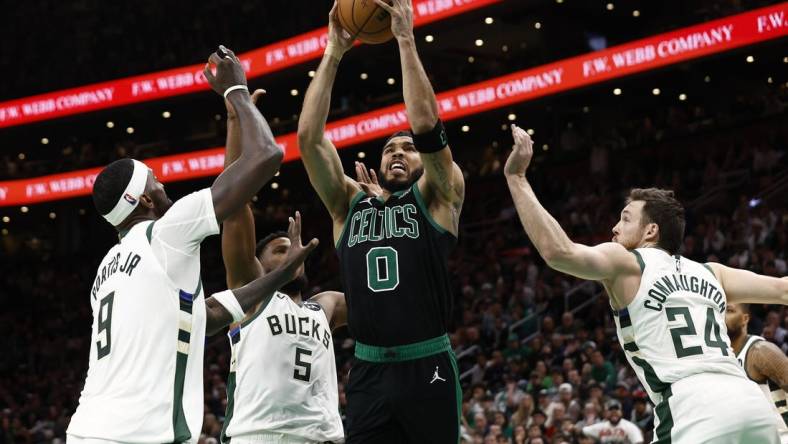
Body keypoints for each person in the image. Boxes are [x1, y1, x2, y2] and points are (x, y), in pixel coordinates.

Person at [67, 46, 317, 443]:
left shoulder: (106, 270)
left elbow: (209, 314)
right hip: (139, 434)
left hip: (87, 428)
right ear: (143, 200)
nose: (162, 182)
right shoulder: (166, 232)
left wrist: (282, 274)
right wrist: (235, 91)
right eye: (154, 180)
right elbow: (267, 156)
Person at [504, 123, 786, 443]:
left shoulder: (628, 262)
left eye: (625, 218)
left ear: (650, 231)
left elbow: (558, 251)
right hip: (752, 406)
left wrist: (517, 179)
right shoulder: (712, 272)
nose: (614, 228)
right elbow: (782, 289)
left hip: (694, 410)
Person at [297, 0, 465, 441]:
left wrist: (406, 39)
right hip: (368, 368)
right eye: (389, 148)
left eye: (406, 148)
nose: (396, 152)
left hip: (426, 361)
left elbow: (427, 125)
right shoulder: (348, 205)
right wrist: (333, 50)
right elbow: (309, 140)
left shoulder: (439, 196)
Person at [217, 91, 345, 443]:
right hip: (260, 435)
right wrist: (234, 123)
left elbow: (383, 295)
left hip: (322, 438)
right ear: (258, 264)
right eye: (279, 250)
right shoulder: (252, 296)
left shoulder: (327, 305)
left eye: (295, 249)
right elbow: (233, 208)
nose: (293, 252)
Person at [725, 303, 788, 443]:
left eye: (729, 311)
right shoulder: (722, 357)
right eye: (719, 311)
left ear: (745, 319)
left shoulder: (760, 350)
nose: (722, 317)